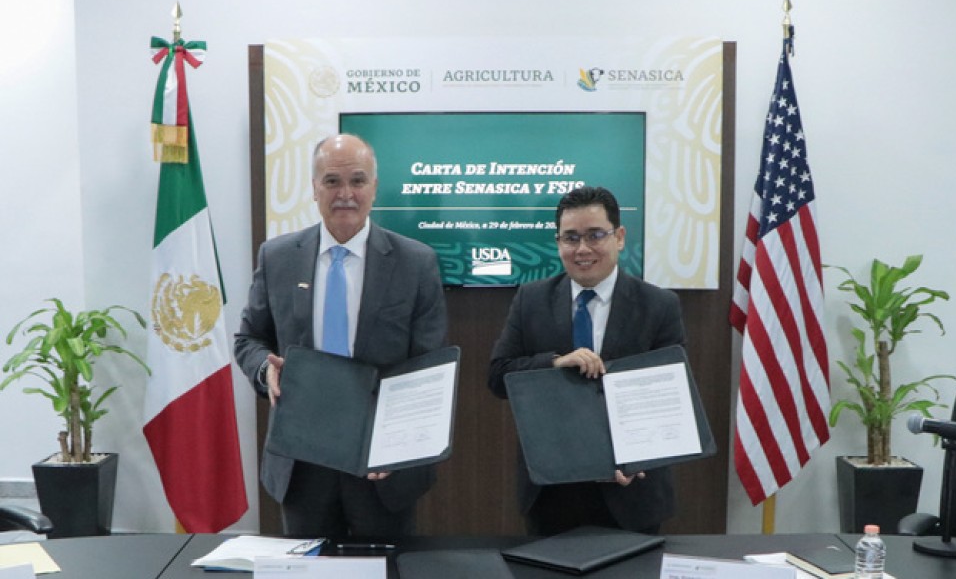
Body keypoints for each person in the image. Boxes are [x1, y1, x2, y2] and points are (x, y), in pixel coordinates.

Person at [234, 133, 447, 538]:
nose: (345, 194)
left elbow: (427, 366)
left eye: (357, 181)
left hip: (381, 463)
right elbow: (249, 339)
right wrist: (265, 369)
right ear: (314, 188)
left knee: (383, 566)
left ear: (374, 188)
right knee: (308, 565)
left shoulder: (415, 262)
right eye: (332, 181)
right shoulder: (277, 257)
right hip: (302, 459)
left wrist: (398, 443)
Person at [488, 186, 686, 536]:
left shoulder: (659, 305)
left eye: (595, 235)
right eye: (571, 238)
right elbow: (498, 376)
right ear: (558, 242)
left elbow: (669, 395)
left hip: (632, 490)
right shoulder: (531, 300)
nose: (582, 249)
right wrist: (553, 364)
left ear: (619, 237)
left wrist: (637, 456)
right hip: (553, 491)